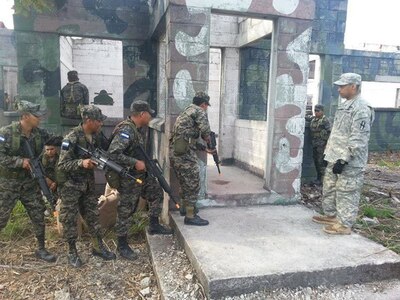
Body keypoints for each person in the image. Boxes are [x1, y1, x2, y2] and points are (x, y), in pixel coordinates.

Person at [107, 100, 173, 261]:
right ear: (142, 114)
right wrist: (134, 163)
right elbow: (113, 154)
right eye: (149, 113)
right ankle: (122, 245)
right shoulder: (126, 130)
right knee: (126, 209)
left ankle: (154, 225)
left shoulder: (136, 129)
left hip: (140, 176)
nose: (150, 116)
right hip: (129, 178)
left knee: (156, 192)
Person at [312, 73, 374, 235]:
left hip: (349, 161)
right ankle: (332, 216)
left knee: (347, 191)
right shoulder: (345, 105)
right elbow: (336, 133)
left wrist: (344, 159)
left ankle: (345, 225)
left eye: (342, 86)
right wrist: (328, 154)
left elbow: (358, 138)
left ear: (353, 86)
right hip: (335, 156)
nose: (339, 89)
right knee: (330, 187)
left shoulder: (361, 108)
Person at [58, 105, 116, 267]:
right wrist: (81, 163)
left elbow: (105, 149)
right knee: (69, 219)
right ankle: (72, 252)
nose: (100, 124)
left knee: (93, 217)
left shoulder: (95, 135)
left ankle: (98, 247)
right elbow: (62, 164)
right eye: (98, 121)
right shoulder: (71, 138)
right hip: (71, 187)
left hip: (87, 186)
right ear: (88, 121)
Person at [0, 101, 56, 262]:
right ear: (25, 116)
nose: (39, 118)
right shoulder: (6, 133)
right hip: (8, 185)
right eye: (35, 115)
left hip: (29, 184)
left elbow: (58, 139)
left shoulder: (39, 133)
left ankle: (41, 249)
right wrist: (19, 162)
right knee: (1, 217)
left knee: (38, 214)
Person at [169, 91, 215, 226]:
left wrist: (204, 149)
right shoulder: (199, 111)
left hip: (177, 152)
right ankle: (190, 216)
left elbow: (188, 138)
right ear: (203, 104)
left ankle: (185, 209)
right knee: (193, 184)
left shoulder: (186, 111)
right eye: (206, 105)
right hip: (184, 155)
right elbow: (206, 132)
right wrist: (210, 143)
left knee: (185, 183)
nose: (206, 108)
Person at [306, 104, 331, 185]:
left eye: (318, 111)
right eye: (315, 111)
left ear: (322, 111)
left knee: (322, 163)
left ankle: (323, 180)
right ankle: (319, 179)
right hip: (315, 145)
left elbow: (330, 132)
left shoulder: (325, 121)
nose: (316, 113)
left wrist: (328, 145)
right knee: (316, 162)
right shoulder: (314, 119)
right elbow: (307, 117)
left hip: (322, 146)